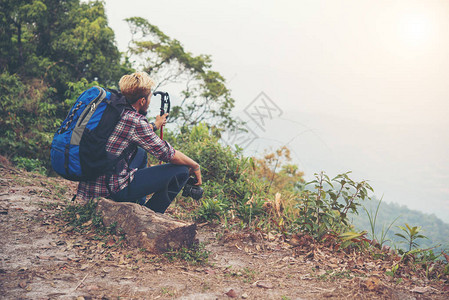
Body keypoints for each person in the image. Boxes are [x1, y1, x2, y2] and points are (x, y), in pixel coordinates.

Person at [76, 71, 202, 213]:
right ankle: (149, 214)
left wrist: (156, 125)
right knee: (181, 171)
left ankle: (136, 204)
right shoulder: (135, 121)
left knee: (140, 153)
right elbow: (167, 154)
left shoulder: (112, 109)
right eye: (149, 98)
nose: (149, 101)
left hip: (90, 182)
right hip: (110, 189)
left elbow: (133, 131)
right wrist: (195, 166)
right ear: (142, 101)